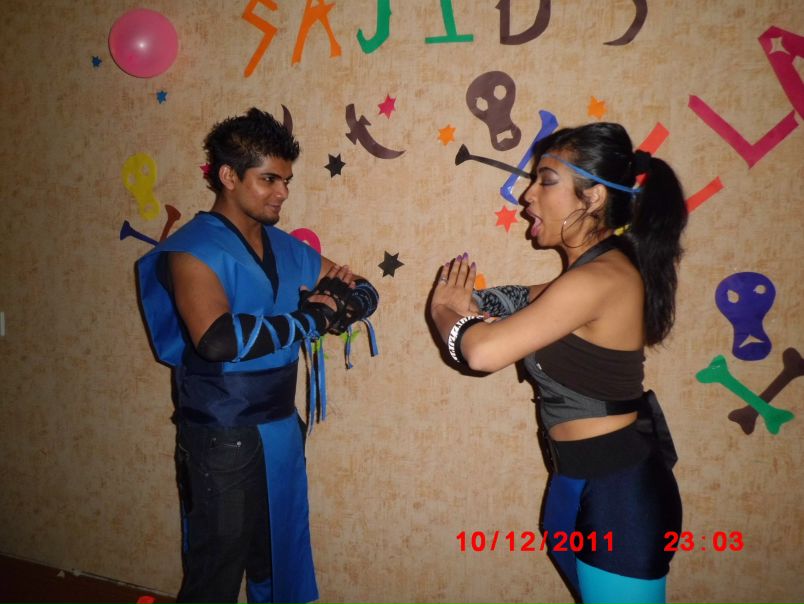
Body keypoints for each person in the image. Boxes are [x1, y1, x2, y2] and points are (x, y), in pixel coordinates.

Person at [428, 122, 687, 604]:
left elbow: (481, 353)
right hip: (577, 482)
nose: (527, 195)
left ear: (592, 198)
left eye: (546, 180)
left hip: (618, 501)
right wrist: (473, 303)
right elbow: (513, 299)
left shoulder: (604, 277)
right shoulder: (587, 274)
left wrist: (444, 309)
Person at [136, 108, 379, 604]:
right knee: (216, 570)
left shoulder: (286, 247)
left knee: (277, 555)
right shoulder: (191, 249)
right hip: (220, 434)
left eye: (286, 181)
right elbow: (217, 340)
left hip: (281, 427)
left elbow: (365, 290)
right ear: (229, 176)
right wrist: (314, 317)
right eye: (269, 179)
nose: (283, 193)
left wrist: (334, 308)